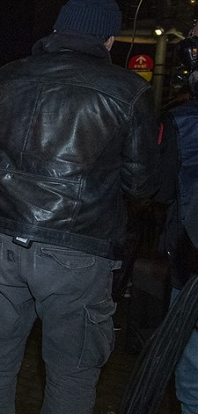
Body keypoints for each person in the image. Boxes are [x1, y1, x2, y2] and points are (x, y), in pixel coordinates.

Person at [0, 0, 159, 414]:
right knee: (71, 374)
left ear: (57, 29)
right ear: (108, 40)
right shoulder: (129, 90)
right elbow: (141, 184)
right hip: (77, 248)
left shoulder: (7, 78)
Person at [155, 30, 198, 414]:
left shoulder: (181, 122)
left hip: (190, 266)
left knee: (190, 381)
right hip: (188, 263)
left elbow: (160, 188)